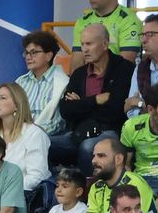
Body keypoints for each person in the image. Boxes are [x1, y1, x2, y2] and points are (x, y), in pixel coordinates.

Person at [53, 22, 132, 169]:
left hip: (111, 132)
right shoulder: (79, 74)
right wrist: (96, 100)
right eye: (82, 45)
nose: (84, 50)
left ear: (104, 44)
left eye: (89, 44)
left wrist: (81, 104)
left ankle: (88, 190)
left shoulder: (124, 69)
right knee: (44, 143)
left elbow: (116, 110)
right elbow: (66, 110)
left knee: (88, 148)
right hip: (79, 132)